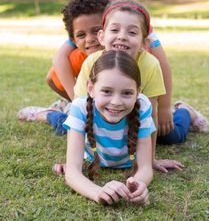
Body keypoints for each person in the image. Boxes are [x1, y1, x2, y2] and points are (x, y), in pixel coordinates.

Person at [68, 0, 209, 174]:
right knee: (65, 125)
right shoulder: (91, 62)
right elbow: (78, 110)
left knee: (171, 136)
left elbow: (152, 113)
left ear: (144, 43)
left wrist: (150, 160)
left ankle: (185, 112)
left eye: (132, 32)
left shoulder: (150, 65)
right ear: (102, 37)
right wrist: (72, 161)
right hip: (105, 117)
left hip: (135, 119)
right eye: (114, 30)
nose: (122, 36)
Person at [53, 0, 173, 137]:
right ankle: (59, 109)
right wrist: (77, 103)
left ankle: (181, 109)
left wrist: (164, 107)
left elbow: (161, 63)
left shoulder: (134, 18)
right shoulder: (88, 18)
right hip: (99, 87)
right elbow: (59, 59)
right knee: (67, 126)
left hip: (134, 87)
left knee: (164, 135)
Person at [64, 50, 154, 205]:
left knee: (176, 131)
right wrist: (97, 192)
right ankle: (48, 113)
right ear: (91, 89)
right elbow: (72, 171)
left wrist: (137, 184)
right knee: (59, 122)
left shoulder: (143, 106)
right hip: (82, 119)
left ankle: (185, 112)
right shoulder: (80, 107)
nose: (116, 102)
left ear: (137, 92)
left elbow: (146, 166)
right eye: (107, 91)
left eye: (127, 93)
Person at [18, 0, 108, 134]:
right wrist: (75, 99)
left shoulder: (121, 54)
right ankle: (49, 115)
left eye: (96, 31)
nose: (90, 39)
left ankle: (61, 106)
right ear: (73, 40)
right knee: (70, 126)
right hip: (87, 107)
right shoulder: (79, 57)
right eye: (81, 35)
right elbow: (51, 79)